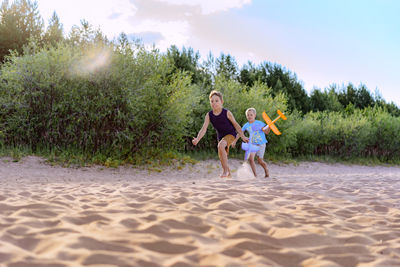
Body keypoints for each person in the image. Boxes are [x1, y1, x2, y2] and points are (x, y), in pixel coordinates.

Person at [192, 90, 249, 178]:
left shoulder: (227, 113)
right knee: (222, 155)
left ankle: (225, 171)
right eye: (212, 101)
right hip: (221, 137)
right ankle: (228, 174)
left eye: (216, 101)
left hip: (231, 134)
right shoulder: (209, 115)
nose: (214, 103)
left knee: (220, 145)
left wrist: (243, 136)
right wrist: (197, 139)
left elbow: (236, 125)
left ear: (221, 102)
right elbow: (203, 129)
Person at [232, 107, 270, 177]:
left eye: (251, 115)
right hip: (253, 144)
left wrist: (269, 126)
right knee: (250, 159)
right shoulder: (246, 125)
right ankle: (255, 176)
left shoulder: (259, 123)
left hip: (261, 144)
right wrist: (234, 141)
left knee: (260, 161)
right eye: (248, 115)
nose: (249, 116)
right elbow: (240, 133)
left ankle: (266, 169)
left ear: (254, 115)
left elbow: (266, 132)